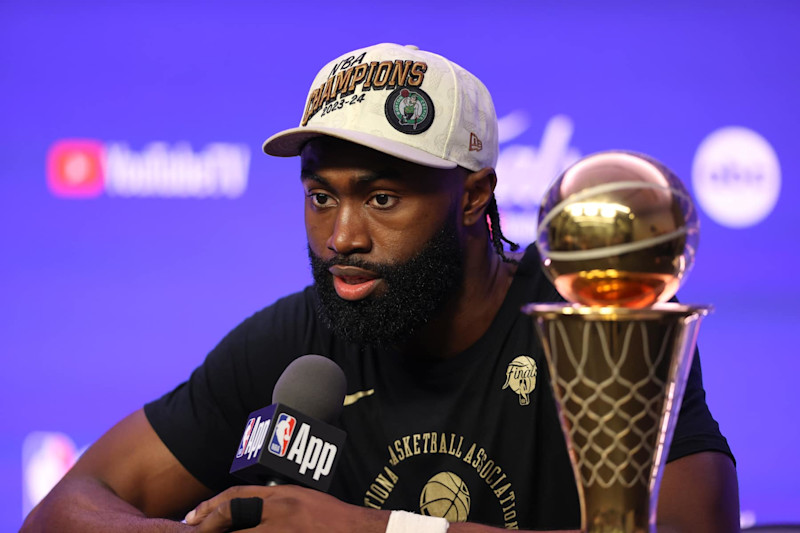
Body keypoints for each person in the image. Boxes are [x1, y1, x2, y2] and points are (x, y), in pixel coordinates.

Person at [22, 43, 739, 533]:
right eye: (322, 198)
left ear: (473, 196)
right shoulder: (291, 343)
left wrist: (377, 528)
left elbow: (690, 528)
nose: (342, 237)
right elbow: (63, 511)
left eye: (384, 198)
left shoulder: (594, 332)